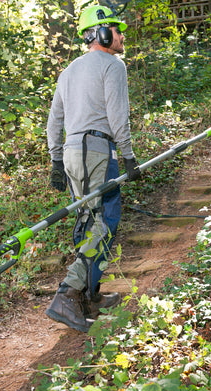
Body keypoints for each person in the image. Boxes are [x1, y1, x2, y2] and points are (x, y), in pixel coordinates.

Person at [44, 4, 141, 333]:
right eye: (117, 30)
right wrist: (128, 155)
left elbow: (54, 120)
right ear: (100, 33)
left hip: (73, 153)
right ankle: (68, 294)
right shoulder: (113, 65)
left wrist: (56, 160)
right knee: (105, 221)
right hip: (98, 151)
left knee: (89, 220)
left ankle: (89, 293)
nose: (122, 35)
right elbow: (118, 117)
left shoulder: (69, 70)